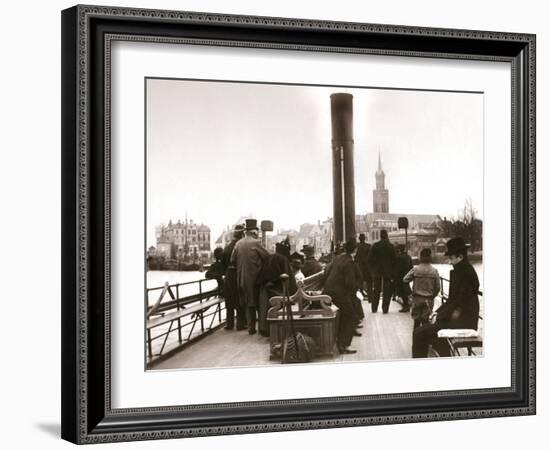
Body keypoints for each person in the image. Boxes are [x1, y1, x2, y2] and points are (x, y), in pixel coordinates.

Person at [412, 237, 480, 358]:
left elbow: (459, 302)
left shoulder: (465, 274)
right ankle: (445, 357)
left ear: (460, 257)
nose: (449, 262)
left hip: (463, 321)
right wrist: (437, 313)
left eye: (451, 258)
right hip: (460, 317)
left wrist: (439, 316)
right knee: (427, 332)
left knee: (419, 334)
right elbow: (453, 301)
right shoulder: (463, 270)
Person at [323, 238, 362, 354]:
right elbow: (349, 284)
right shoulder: (349, 262)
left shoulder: (338, 258)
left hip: (329, 292)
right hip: (338, 294)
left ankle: (340, 342)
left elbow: (327, 271)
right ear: (355, 250)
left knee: (347, 313)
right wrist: (356, 289)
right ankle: (344, 345)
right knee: (352, 316)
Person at [230, 219, 269, 335]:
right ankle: (262, 327)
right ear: (254, 232)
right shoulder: (256, 243)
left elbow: (232, 260)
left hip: (241, 279)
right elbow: (267, 257)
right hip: (256, 278)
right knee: (259, 303)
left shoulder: (238, 244)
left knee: (248, 303)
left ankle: (251, 328)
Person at [256, 240, 295, 337]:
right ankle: (276, 332)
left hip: (265, 287)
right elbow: (288, 278)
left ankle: (265, 330)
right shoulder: (283, 259)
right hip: (277, 289)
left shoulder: (270, 257)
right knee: (277, 309)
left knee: (265, 309)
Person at [403, 248, 440, 329]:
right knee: (426, 322)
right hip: (428, 299)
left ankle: (415, 340)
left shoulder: (416, 269)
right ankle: (425, 341)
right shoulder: (434, 271)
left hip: (416, 299)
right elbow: (437, 287)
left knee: (416, 322)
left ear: (421, 257)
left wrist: (409, 294)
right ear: (430, 257)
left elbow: (405, 280)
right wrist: (432, 296)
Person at [221, 225, 246, 330]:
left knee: (229, 300)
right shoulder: (240, 247)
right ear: (242, 235)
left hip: (228, 275)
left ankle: (229, 323)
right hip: (237, 274)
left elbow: (223, 264)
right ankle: (240, 324)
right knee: (239, 299)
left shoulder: (227, 247)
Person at [367, 229, 397, 313]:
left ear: (380, 235)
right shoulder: (390, 246)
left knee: (376, 290)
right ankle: (385, 309)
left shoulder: (375, 246)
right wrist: (393, 272)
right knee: (386, 291)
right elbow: (394, 260)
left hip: (377, 271)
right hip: (388, 272)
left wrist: (372, 269)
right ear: (386, 235)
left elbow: (369, 259)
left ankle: (374, 308)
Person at [394, 244, 413, 312]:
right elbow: (411, 267)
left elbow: (396, 268)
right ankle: (407, 305)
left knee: (401, 292)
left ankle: (406, 306)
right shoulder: (408, 257)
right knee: (406, 291)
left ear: (399, 249)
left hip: (400, 277)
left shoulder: (398, 257)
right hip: (407, 277)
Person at [354, 233, 372, 302]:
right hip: (367, 268)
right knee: (369, 283)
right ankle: (370, 298)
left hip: (359, 268)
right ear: (365, 238)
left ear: (359, 239)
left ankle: (358, 298)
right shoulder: (369, 246)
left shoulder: (356, 246)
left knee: (358, 283)